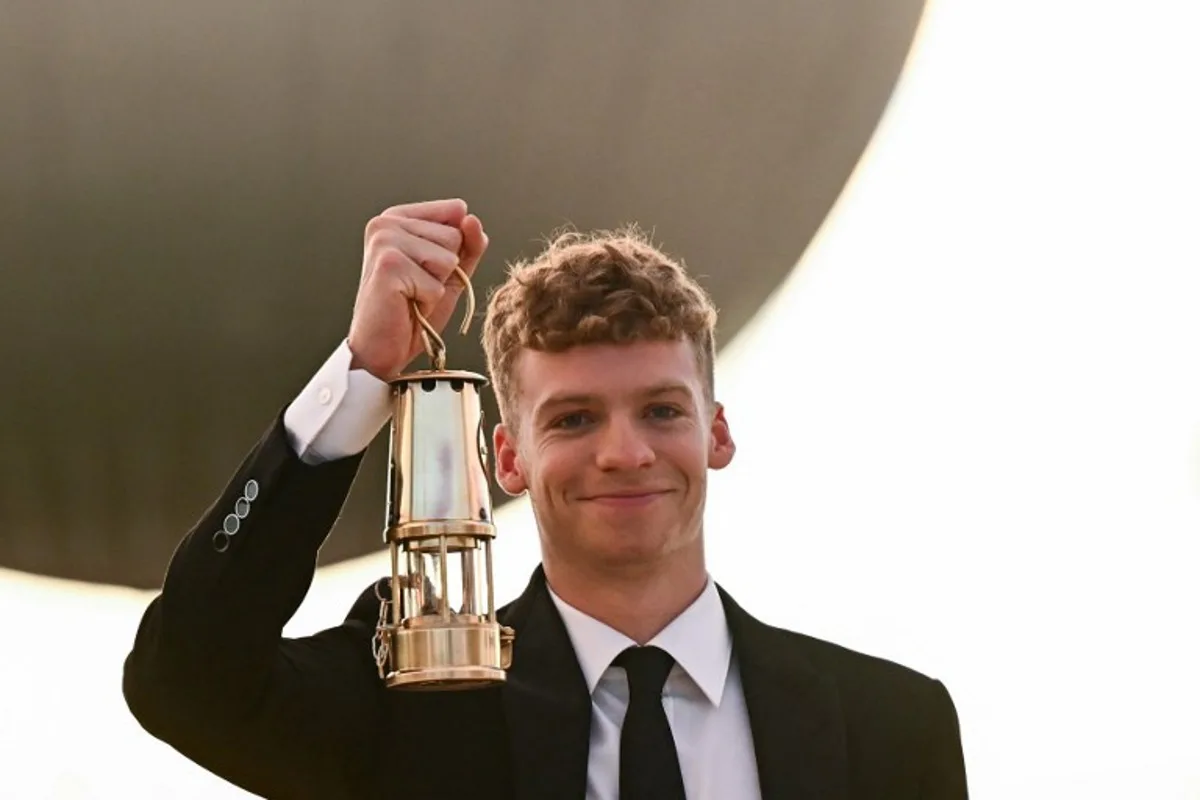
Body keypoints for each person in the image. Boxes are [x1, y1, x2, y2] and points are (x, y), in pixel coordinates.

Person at [123, 198, 968, 799]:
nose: (624, 451)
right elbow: (182, 681)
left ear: (716, 433)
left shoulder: (891, 728)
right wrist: (363, 373)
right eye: (572, 419)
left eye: (662, 410)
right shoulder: (412, 701)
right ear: (507, 460)